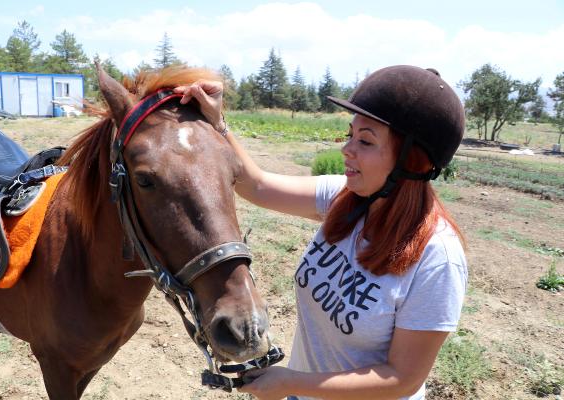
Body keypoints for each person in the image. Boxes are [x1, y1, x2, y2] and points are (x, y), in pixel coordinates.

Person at [174, 65, 467, 400]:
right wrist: (217, 121)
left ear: (412, 161)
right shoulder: (345, 198)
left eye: (366, 141)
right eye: (350, 135)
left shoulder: (437, 257)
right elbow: (256, 185)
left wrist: (290, 383)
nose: (347, 149)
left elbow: (402, 379)